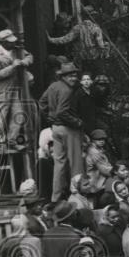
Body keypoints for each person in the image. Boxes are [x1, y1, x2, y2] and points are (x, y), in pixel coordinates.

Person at [40, 62, 84, 202]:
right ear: (63, 76)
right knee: (76, 164)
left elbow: (41, 103)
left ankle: (55, 199)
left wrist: (50, 119)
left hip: (56, 129)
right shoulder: (67, 90)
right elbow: (62, 112)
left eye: (75, 75)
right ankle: (79, 198)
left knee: (59, 165)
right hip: (68, 129)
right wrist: (77, 122)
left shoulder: (53, 86)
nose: (74, 78)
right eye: (70, 75)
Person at [0, 27, 34, 149]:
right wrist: (12, 67)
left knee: (18, 114)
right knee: (0, 116)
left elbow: (30, 56)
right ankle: (0, 143)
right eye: (10, 41)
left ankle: (12, 141)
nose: (13, 43)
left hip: (14, 88)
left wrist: (26, 61)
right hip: (0, 90)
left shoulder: (17, 50)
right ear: (3, 42)